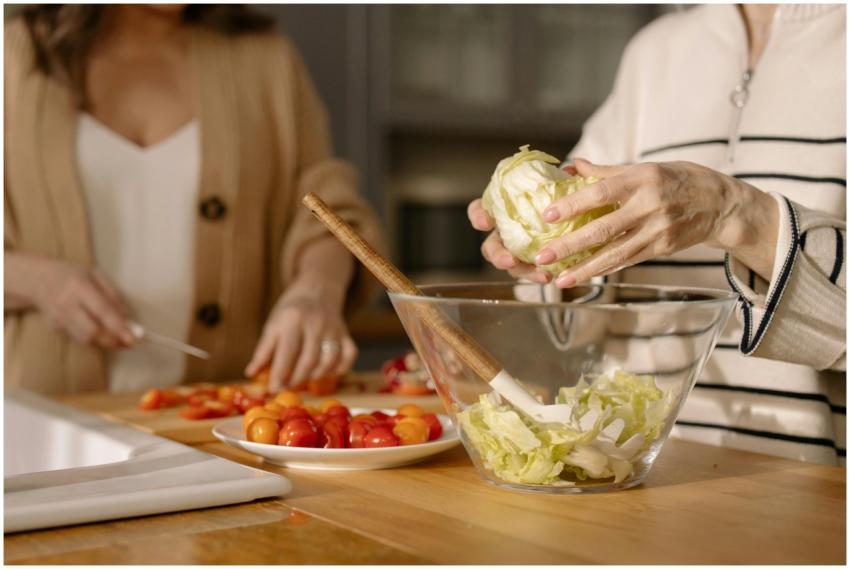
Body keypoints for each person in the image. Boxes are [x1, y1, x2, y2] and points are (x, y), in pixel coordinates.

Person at [468, 4, 846, 464]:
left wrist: (736, 216)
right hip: (638, 465)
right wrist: (544, 257)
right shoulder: (656, 51)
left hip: (817, 484)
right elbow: (580, 306)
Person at [5, 5, 382, 394]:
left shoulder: (268, 59)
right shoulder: (13, 55)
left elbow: (329, 206)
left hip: (223, 420)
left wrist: (316, 290)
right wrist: (41, 282)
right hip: (45, 421)